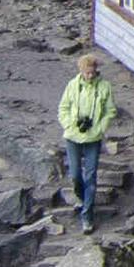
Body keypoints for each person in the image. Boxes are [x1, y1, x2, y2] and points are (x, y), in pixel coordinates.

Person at [57, 49, 120, 231]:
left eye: (92, 72)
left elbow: (110, 111)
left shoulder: (104, 86)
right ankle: (82, 198)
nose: (90, 76)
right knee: (76, 175)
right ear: (81, 71)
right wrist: (70, 124)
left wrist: (100, 128)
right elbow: (63, 108)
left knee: (90, 176)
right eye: (87, 72)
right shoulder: (72, 85)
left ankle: (87, 215)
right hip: (73, 137)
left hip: (93, 138)